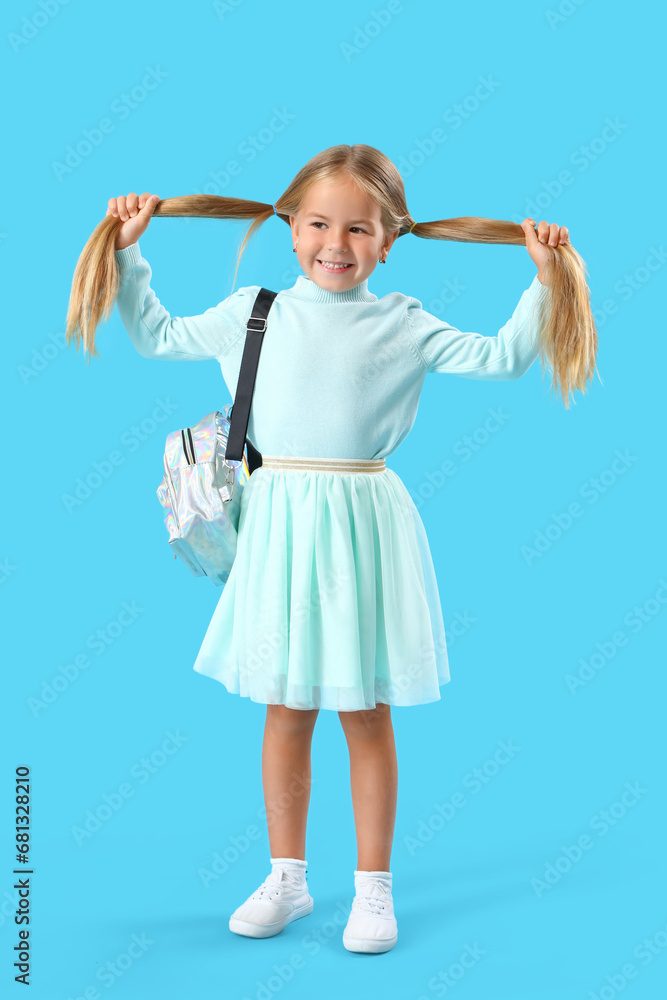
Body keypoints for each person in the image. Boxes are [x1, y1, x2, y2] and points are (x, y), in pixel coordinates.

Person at [66, 144, 598, 955]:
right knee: (285, 707)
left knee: (364, 708)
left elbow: (500, 359)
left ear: (390, 240)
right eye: (318, 223)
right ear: (289, 227)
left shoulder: (404, 321)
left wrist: (541, 278)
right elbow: (157, 336)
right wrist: (131, 251)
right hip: (278, 523)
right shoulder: (255, 310)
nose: (335, 243)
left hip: (362, 525)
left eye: (358, 228)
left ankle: (373, 891)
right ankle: (287, 876)